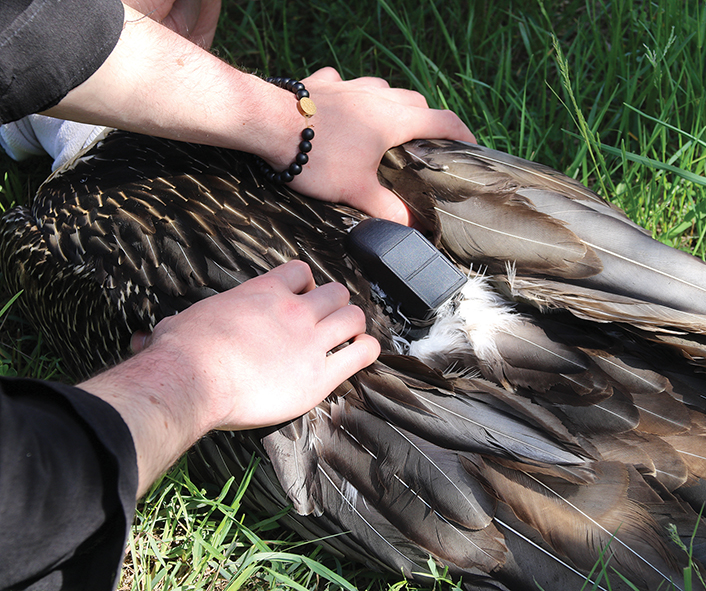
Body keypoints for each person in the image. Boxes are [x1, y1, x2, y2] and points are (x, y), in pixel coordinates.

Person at [0, 1, 475, 589]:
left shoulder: (41, 234)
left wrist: (284, 118)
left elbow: (24, 25)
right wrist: (191, 374)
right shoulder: (52, 247)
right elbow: (26, 497)